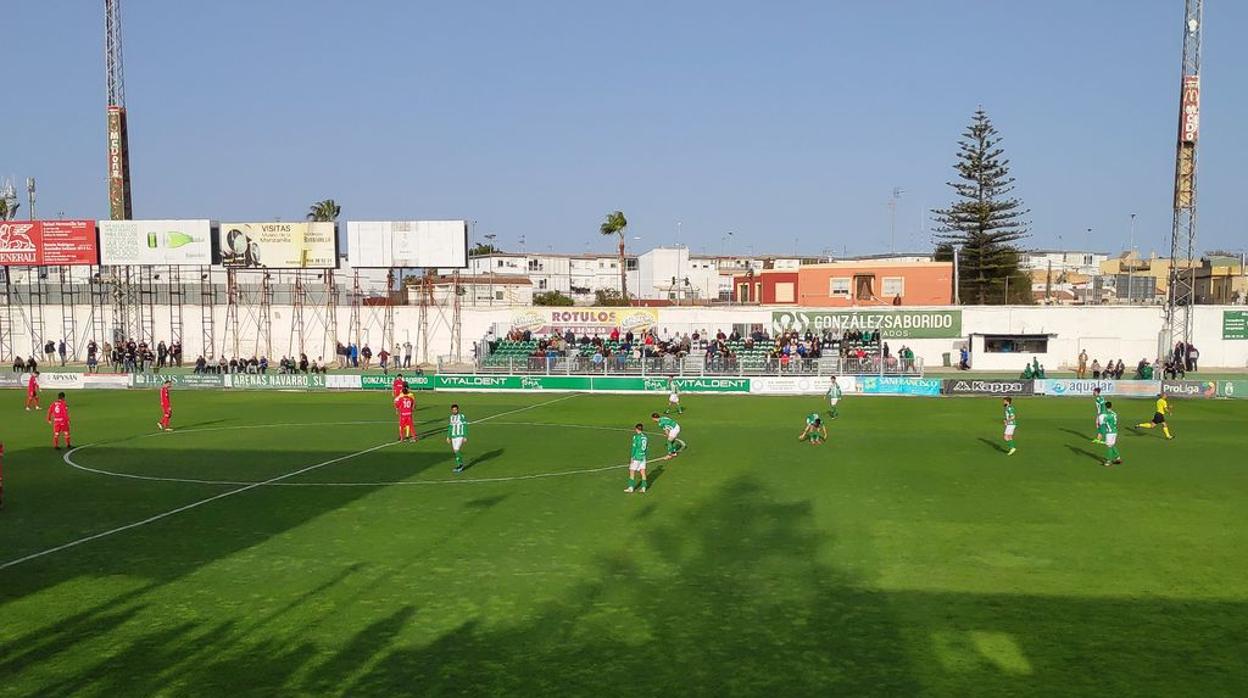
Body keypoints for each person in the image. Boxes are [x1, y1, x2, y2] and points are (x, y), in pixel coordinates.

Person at [625, 423, 649, 494]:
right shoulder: (645, 437)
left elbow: (634, 447)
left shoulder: (636, 437)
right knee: (643, 472)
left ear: (636, 429)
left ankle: (631, 488)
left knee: (632, 471)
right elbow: (646, 448)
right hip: (643, 456)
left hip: (637, 457)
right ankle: (644, 487)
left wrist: (632, 457)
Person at [447, 404, 469, 473]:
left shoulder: (461, 416)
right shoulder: (451, 417)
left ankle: (461, 465)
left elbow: (465, 425)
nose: (454, 411)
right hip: (453, 437)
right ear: (451, 410)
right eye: (453, 410)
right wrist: (448, 436)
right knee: (455, 451)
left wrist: (465, 436)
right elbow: (450, 427)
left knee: (456, 450)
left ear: (458, 410)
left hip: (460, 436)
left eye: (455, 409)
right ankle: (459, 464)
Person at [1100, 401, 1123, 466]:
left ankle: (1109, 461)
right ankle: (1118, 458)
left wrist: (1101, 432)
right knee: (1112, 445)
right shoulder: (1114, 413)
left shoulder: (1107, 415)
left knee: (1109, 446)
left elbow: (1103, 423)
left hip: (1109, 432)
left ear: (1105, 407)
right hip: (1115, 431)